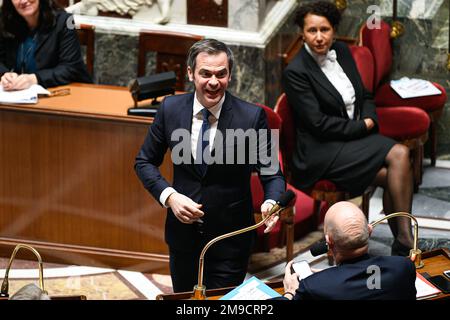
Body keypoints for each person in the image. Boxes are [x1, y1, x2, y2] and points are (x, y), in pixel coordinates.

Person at [135, 39, 286, 293]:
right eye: (205, 73)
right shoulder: (170, 108)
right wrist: (169, 196)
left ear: (229, 75)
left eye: (221, 74)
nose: (213, 82)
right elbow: (144, 161)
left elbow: (272, 173)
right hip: (182, 237)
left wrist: (272, 201)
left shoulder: (252, 116)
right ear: (190, 73)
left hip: (230, 239)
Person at [282, 1, 414, 256]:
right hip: (320, 150)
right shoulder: (295, 71)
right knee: (400, 155)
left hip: (349, 140)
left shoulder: (341, 51)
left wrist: (370, 119)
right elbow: (318, 124)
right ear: (302, 32)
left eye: (325, 29)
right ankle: (406, 240)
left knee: (394, 175)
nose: (319, 37)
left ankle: (402, 239)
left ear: (333, 30)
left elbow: (365, 94)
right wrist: (362, 127)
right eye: (312, 30)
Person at [281, 201, 417, 300]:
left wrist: (290, 293)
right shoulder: (403, 267)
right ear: (369, 231)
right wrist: (331, 275)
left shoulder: (312, 287)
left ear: (329, 241)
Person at [0, 0, 92, 90]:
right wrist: (5, 74)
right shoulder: (5, 21)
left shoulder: (66, 20)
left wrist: (34, 79)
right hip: (19, 95)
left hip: (64, 92)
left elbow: (71, 67)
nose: (23, 1)